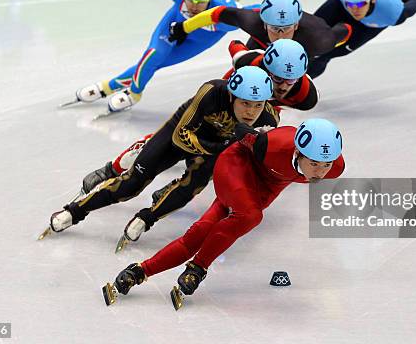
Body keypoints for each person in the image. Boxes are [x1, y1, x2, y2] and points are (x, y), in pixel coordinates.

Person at [72, 39, 318, 247]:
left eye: (292, 80)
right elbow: (233, 42)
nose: (284, 86)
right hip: (220, 107)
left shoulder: (306, 96)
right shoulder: (247, 65)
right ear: (266, 68)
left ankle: (166, 195)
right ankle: (113, 168)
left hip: (247, 117)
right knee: (161, 144)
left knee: (212, 166)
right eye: (277, 79)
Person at [104, 118, 345, 308]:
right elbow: (241, 131)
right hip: (235, 167)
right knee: (250, 216)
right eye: (314, 163)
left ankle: (138, 271)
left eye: (326, 164)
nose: (321, 171)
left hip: (263, 188)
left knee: (200, 234)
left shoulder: (335, 168)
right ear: (298, 153)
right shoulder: (271, 144)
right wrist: (253, 131)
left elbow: (320, 166)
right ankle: (198, 268)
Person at [41, 67, 279, 239]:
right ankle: (74, 211)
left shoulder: (268, 121)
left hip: (212, 149)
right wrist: (219, 148)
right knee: (131, 186)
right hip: (182, 133)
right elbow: (181, 135)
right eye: (245, 103)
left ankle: (147, 218)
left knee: (189, 189)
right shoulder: (212, 92)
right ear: (231, 96)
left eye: (257, 105)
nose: (251, 111)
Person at [68, 0, 242, 114]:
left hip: (200, 39)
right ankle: (134, 93)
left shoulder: (225, 15)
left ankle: (107, 87)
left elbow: (252, 15)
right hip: (173, 22)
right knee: (153, 56)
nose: (194, 6)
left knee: (158, 64)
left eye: (201, 2)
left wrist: (235, 8)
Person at [307, 0, 416, 78]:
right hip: (341, 6)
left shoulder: (391, 13)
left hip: (368, 24)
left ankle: (298, 88)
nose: (355, 9)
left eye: (361, 4)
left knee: (325, 54)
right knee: (309, 35)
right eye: (351, 4)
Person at [168, 0, 352, 59]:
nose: (279, 35)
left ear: (295, 25)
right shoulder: (252, 21)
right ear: (264, 25)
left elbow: (345, 31)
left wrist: (349, 23)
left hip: (305, 45)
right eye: (274, 28)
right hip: (260, 42)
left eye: (285, 28)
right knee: (244, 66)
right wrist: (184, 28)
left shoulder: (319, 40)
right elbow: (216, 14)